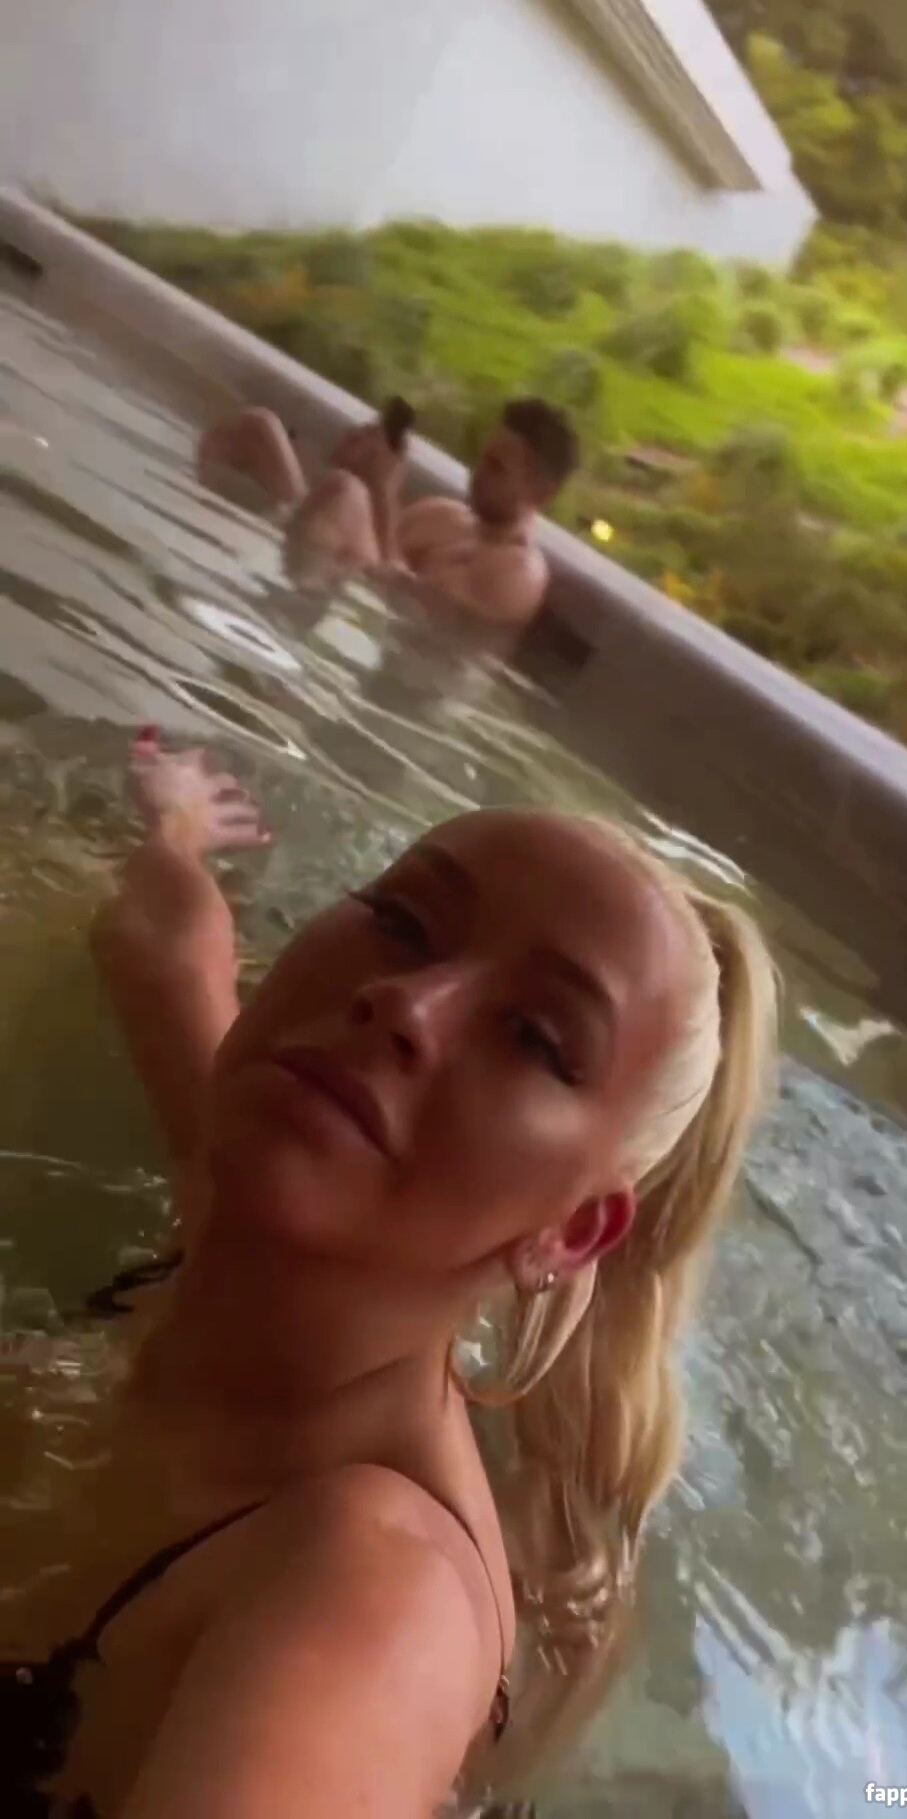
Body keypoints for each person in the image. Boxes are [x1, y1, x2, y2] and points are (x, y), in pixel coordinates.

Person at [2, 727, 777, 1818]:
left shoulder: (374, 1600)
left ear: (570, 1233)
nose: (407, 1003)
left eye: (534, 1037)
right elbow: (164, 947)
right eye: (403, 922)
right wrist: (178, 824)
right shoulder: (258, 1190)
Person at [199, 399, 579, 631]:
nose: (478, 474)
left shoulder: (517, 574)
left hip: (367, 637)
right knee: (256, 428)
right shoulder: (444, 515)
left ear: (541, 492)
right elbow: (376, 551)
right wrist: (353, 467)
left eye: (496, 468)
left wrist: (381, 489)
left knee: (346, 492)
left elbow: (408, 618)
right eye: (483, 458)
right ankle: (210, 559)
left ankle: (268, 625)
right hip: (337, 596)